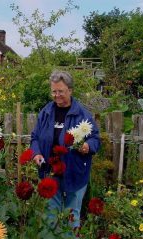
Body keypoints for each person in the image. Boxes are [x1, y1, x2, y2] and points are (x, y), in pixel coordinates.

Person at [30, 70, 100, 229]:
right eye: (53, 91)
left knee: (71, 216)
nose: (56, 95)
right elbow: (35, 137)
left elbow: (95, 139)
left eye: (60, 91)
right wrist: (36, 153)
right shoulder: (46, 112)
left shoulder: (82, 115)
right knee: (50, 216)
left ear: (70, 90)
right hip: (50, 171)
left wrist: (88, 146)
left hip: (74, 172)